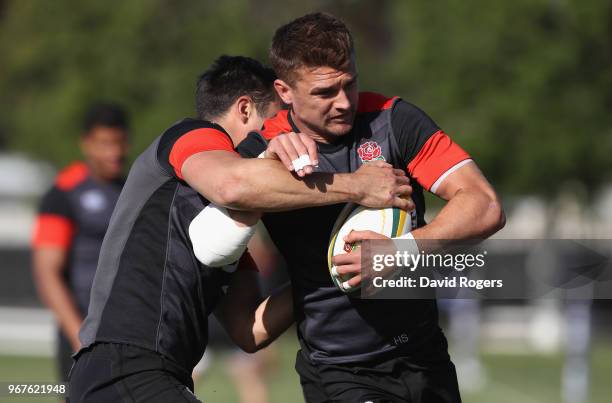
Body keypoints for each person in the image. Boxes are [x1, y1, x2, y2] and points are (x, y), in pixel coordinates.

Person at [69, 55, 410, 403]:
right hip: (125, 366)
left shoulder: (229, 223)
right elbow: (233, 184)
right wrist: (355, 185)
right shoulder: (192, 135)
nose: (287, 136)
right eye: (278, 124)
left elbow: (248, 329)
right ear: (245, 110)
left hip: (145, 375)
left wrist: (331, 270)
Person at [236, 12, 505, 402]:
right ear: (285, 91)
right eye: (325, 93)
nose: (343, 102)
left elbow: (486, 205)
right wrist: (266, 167)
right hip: (341, 369)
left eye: (350, 84)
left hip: (425, 355)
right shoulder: (263, 150)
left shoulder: (393, 121)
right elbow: (224, 203)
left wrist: (399, 251)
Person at [31, 103, 129, 384]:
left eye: (119, 142)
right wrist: (78, 336)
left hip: (127, 327)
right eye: (104, 143)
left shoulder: (133, 189)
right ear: (86, 144)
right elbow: (47, 272)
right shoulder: (62, 194)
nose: (114, 152)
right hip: (81, 326)